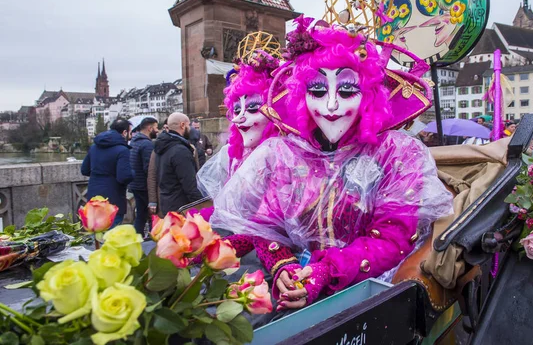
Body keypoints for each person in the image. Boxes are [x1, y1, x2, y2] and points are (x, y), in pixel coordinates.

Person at [211, 16, 453, 311]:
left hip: (371, 295)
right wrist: (283, 268)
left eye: (348, 90)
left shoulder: (397, 153)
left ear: (369, 96)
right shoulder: (286, 154)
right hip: (298, 297)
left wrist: (328, 271)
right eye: (317, 91)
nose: (332, 106)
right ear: (302, 96)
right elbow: (266, 226)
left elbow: (392, 238)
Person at [196, 50, 280, 200]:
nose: (237, 119)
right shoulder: (227, 156)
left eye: (253, 108)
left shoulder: (288, 159)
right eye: (236, 110)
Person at [81, 119, 134, 227]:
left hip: (93, 198)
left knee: (96, 234)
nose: (131, 136)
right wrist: (133, 172)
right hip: (113, 199)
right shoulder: (122, 150)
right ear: (124, 133)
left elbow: (84, 170)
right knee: (110, 236)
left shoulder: (94, 147)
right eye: (130, 132)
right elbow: (123, 177)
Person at [154, 112, 203, 213]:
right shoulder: (180, 150)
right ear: (182, 125)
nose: (190, 128)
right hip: (181, 207)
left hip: (167, 203)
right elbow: (190, 186)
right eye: (188, 125)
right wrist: (204, 207)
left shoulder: (164, 145)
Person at [129, 117, 158, 234]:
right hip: (144, 185)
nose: (157, 130)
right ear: (149, 128)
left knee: (140, 215)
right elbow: (149, 168)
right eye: (156, 128)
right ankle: (152, 240)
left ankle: (138, 239)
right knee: (152, 215)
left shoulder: (135, 141)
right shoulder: (146, 144)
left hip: (135, 184)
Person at [147, 119, 168, 216]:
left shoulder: (190, 147)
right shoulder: (158, 149)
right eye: (166, 128)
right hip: (163, 198)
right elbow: (152, 175)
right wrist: (153, 201)